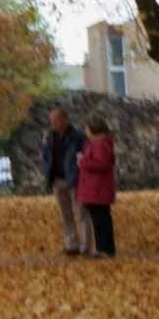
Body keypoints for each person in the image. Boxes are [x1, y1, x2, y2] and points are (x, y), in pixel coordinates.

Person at [42, 108, 88, 255]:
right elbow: (46, 155)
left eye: (56, 120)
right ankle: (71, 244)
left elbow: (84, 156)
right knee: (65, 215)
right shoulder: (49, 137)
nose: (53, 123)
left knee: (81, 213)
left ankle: (86, 245)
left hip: (74, 179)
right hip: (57, 179)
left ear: (65, 119)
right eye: (52, 121)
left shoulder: (78, 137)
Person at [77, 116, 118, 257]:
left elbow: (103, 164)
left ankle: (104, 248)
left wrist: (83, 162)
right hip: (94, 188)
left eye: (87, 129)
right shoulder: (95, 144)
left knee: (101, 219)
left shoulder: (100, 145)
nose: (85, 132)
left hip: (97, 188)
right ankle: (103, 247)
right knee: (99, 219)